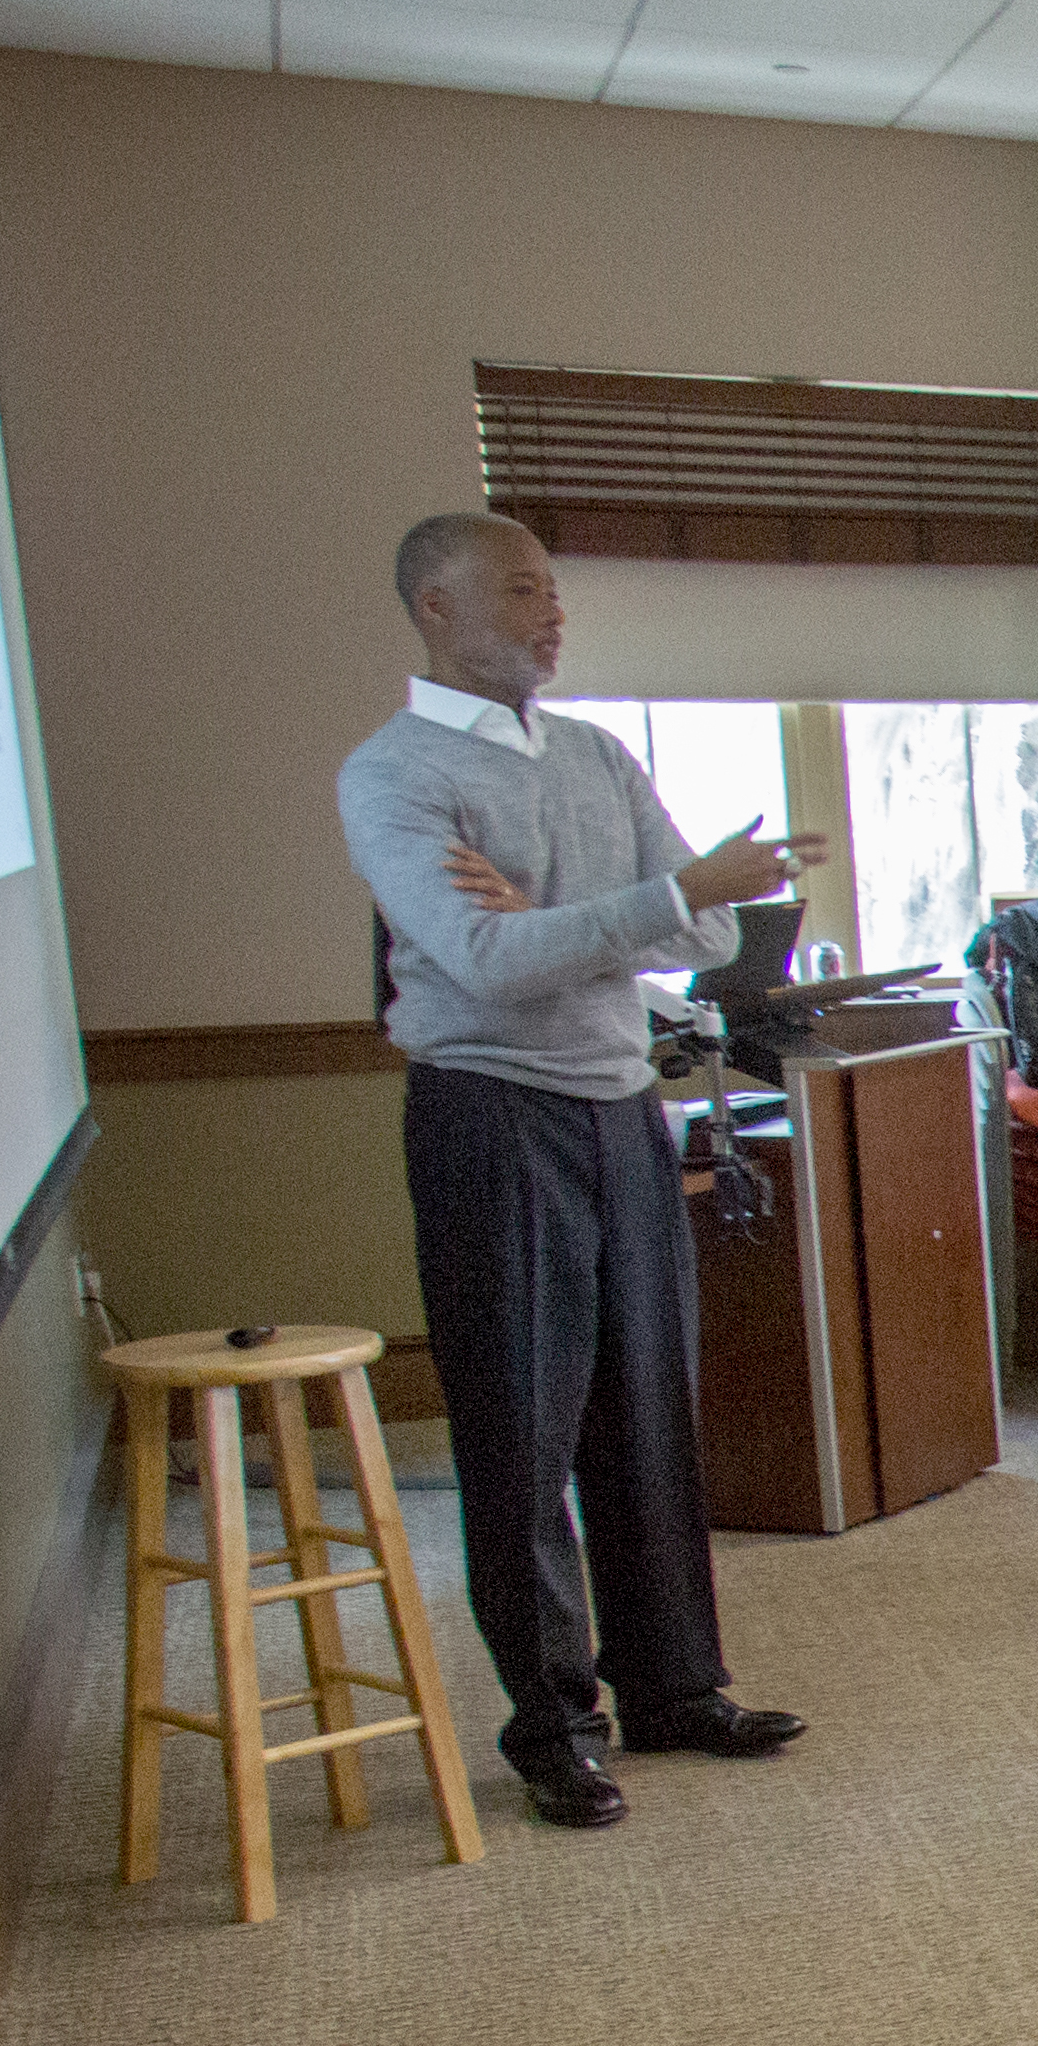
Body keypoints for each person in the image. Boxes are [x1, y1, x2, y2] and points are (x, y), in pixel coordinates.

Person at [336, 511, 817, 1831]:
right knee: (521, 1426)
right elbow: (487, 964)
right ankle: (552, 1722)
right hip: (491, 1115)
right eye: (521, 591)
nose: (553, 614)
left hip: (621, 1109)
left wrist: (578, 921)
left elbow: (712, 926)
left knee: (649, 1408)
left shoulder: (599, 756)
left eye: (555, 592)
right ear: (435, 608)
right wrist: (640, 909)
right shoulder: (392, 777)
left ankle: (673, 1688)